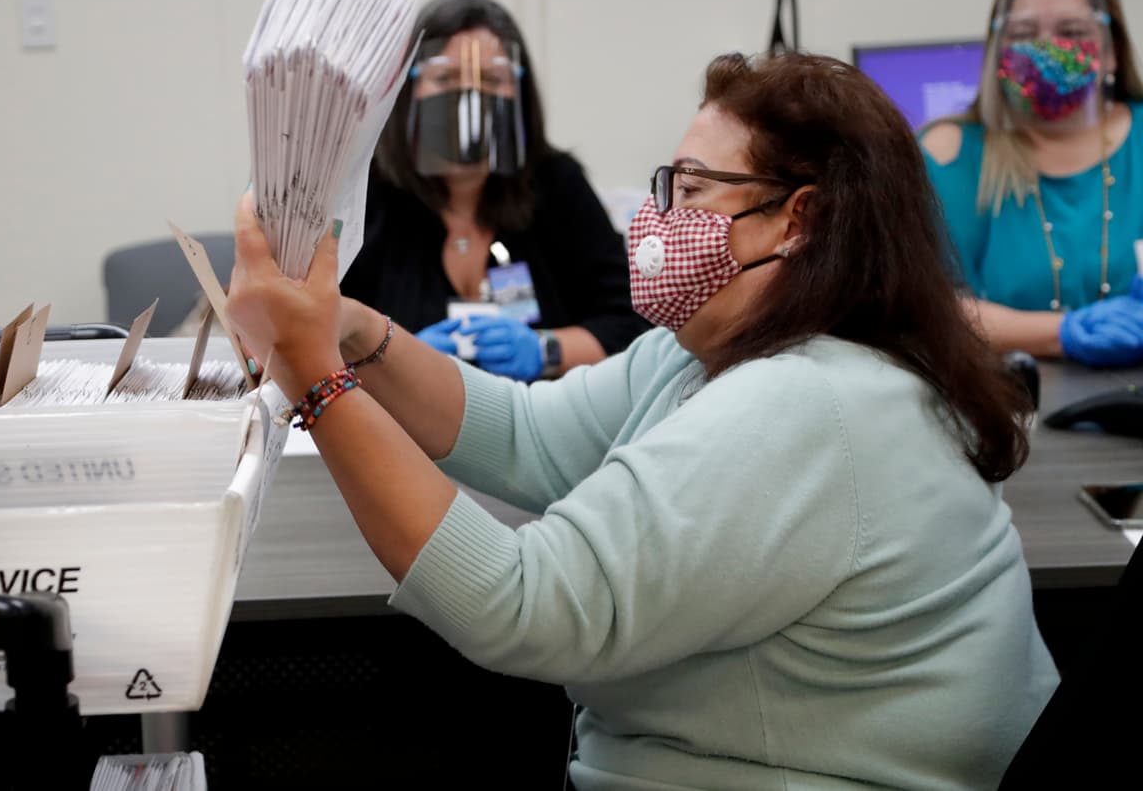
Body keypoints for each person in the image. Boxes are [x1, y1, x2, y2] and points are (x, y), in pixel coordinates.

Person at [227, 52, 1058, 789]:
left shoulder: (806, 403)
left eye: (691, 189)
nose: (657, 215)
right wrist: (350, 328)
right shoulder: (709, 349)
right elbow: (525, 433)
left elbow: (521, 602)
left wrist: (318, 381)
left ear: (796, 221)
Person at [339, 0, 648, 381]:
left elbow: (632, 322)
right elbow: (312, 340)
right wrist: (392, 358)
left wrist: (545, 350)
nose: (470, 99)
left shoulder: (556, 184)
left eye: (491, 79)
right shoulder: (365, 197)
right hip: (396, 427)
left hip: (537, 420)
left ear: (518, 92)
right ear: (409, 90)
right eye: (446, 78)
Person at [920, 0, 1143, 366]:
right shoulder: (948, 156)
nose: (1047, 50)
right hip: (1005, 407)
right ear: (998, 50)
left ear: (1111, 51)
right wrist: (1063, 334)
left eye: (1072, 31)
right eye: (1023, 34)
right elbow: (927, 308)